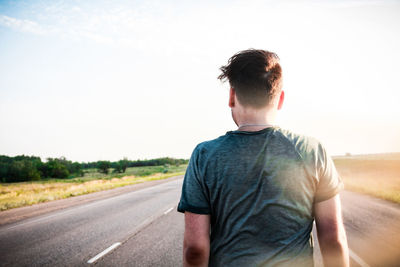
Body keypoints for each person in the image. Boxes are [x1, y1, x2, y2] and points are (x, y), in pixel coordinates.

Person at [177, 49, 349, 267]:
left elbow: (195, 249)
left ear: (231, 96)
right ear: (281, 99)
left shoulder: (204, 155)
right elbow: (333, 240)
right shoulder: (313, 151)